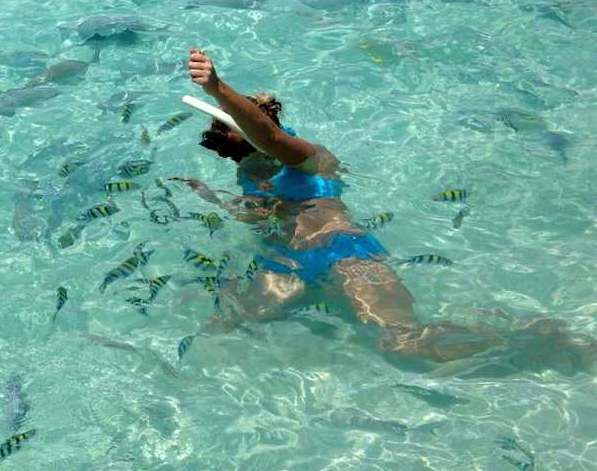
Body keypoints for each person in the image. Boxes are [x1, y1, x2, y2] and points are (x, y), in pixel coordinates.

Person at [183, 49, 596, 372]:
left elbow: (268, 135)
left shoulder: (308, 157)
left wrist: (219, 90)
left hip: (342, 255)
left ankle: (527, 340)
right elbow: (267, 217)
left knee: (400, 342)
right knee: (218, 326)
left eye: (231, 125)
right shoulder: (251, 172)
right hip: (285, 263)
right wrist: (216, 201)